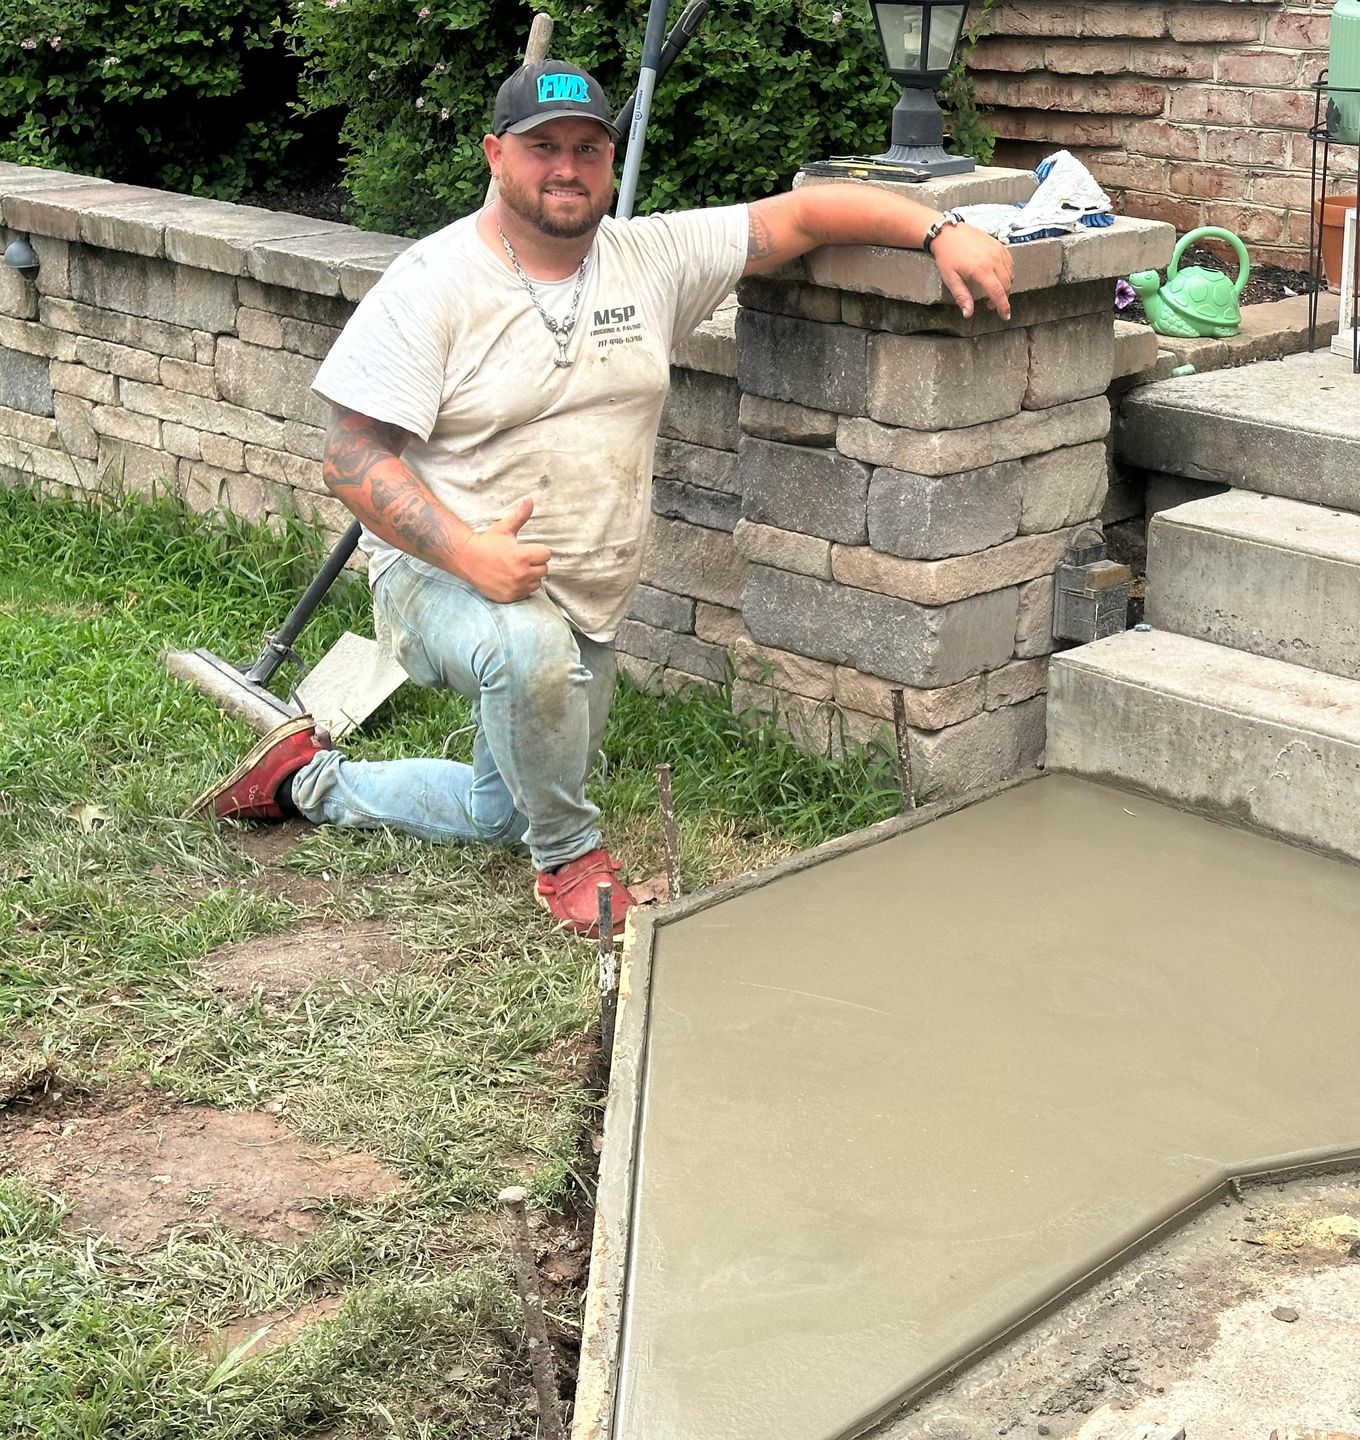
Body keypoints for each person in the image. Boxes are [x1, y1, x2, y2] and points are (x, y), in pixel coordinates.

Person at [189, 59, 1014, 938]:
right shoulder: (434, 283)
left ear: (609, 162)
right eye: (542, 146)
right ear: (494, 155)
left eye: (587, 147)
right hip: (439, 579)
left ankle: (302, 781)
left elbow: (806, 213)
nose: (566, 167)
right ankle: (572, 863)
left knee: (495, 812)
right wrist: (469, 552)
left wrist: (940, 231)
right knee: (531, 660)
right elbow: (351, 457)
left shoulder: (649, 259)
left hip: (585, 591)